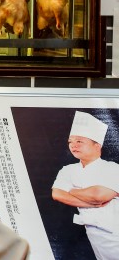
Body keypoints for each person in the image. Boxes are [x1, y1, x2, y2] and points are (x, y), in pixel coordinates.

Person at [52, 111, 119, 260]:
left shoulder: (113, 168)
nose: (73, 146)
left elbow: (99, 195)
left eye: (79, 141)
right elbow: (57, 194)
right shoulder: (67, 170)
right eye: (70, 141)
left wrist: (71, 190)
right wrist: (94, 204)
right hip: (94, 235)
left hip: (116, 232)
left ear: (97, 146)